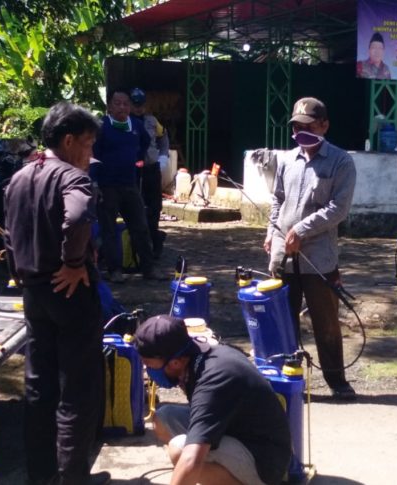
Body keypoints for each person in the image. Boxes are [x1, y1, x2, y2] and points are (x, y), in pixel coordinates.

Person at [3, 102, 111, 485]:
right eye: (88, 143)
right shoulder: (71, 177)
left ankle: (41, 475)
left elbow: (9, 235)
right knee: (78, 390)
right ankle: (72, 478)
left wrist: (20, 274)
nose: (90, 153)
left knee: (39, 385)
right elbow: (78, 216)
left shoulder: (19, 178)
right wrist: (74, 262)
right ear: (68, 141)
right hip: (70, 292)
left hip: (34, 294)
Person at [264, 97, 357, 400]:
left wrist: (301, 230)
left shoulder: (341, 162)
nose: (300, 132)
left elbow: (339, 208)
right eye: (296, 127)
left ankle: (336, 381)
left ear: (324, 125)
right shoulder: (287, 160)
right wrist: (272, 232)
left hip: (319, 257)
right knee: (282, 320)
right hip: (283, 255)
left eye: (308, 126)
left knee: (325, 322)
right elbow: (277, 199)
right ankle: (286, 380)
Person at [134, 315, 292, 485]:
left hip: (264, 460)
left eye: (149, 364)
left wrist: (189, 465)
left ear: (175, 363)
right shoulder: (197, 355)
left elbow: (191, 458)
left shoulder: (213, 379)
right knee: (164, 417)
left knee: (180, 450)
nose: (147, 370)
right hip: (234, 431)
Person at [91, 88, 165, 283]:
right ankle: (114, 270)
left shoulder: (137, 125)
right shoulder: (102, 127)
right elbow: (93, 155)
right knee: (109, 230)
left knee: (140, 227)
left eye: (125, 104)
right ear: (109, 106)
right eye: (117, 103)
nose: (122, 107)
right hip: (107, 186)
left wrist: (136, 159)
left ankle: (149, 268)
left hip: (130, 184)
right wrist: (94, 182)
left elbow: (145, 143)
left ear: (130, 107)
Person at [130, 87, 170, 258]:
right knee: (135, 208)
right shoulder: (125, 121)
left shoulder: (152, 121)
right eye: (135, 104)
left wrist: (164, 156)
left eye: (141, 104)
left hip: (151, 168)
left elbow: (163, 137)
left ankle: (155, 241)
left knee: (154, 207)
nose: (138, 108)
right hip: (133, 170)